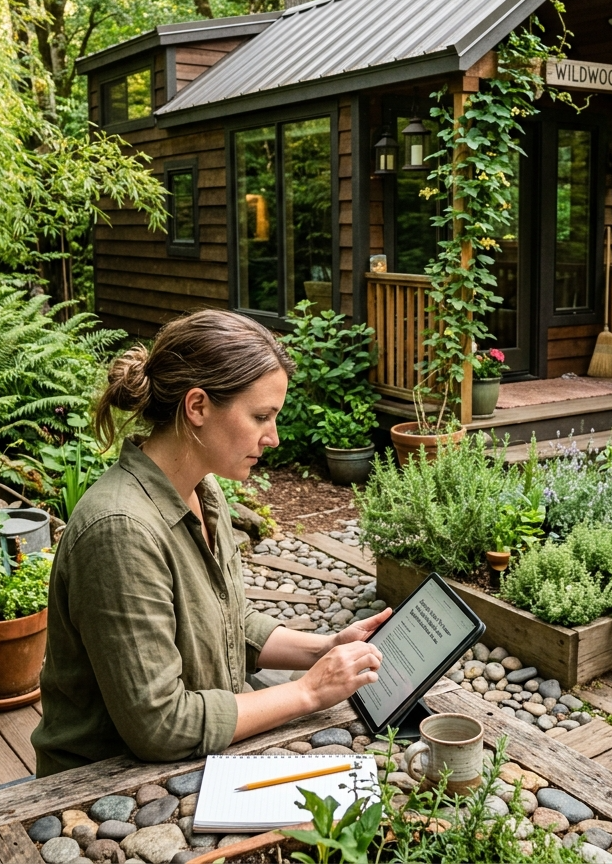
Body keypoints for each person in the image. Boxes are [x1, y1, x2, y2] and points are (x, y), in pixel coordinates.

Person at [31, 309, 388, 776]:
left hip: (192, 756)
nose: (274, 438)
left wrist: (322, 648)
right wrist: (308, 692)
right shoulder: (120, 529)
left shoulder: (203, 489)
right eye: (261, 416)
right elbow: (160, 725)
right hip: (105, 782)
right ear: (196, 407)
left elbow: (226, 618)